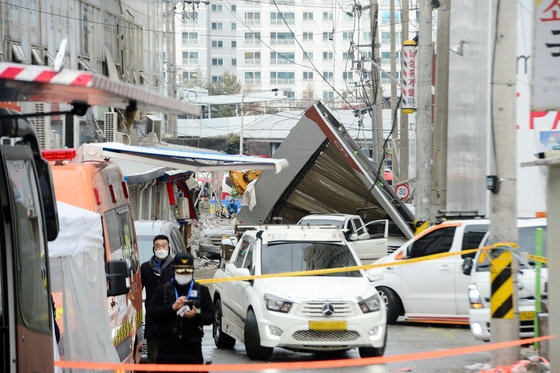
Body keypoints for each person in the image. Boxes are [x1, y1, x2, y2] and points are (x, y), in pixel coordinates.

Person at [148, 252, 213, 366]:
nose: (184, 274)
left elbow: (210, 317)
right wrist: (172, 308)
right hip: (166, 350)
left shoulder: (202, 290)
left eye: (187, 272)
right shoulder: (162, 290)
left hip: (192, 350)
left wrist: (195, 316)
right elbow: (151, 314)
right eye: (180, 271)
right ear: (174, 271)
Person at [140, 234, 175, 364]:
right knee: (153, 358)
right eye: (158, 246)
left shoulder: (176, 267)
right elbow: (138, 290)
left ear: (168, 247)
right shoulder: (145, 268)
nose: (161, 248)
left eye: (164, 246)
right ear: (153, 248)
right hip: (153, 320)